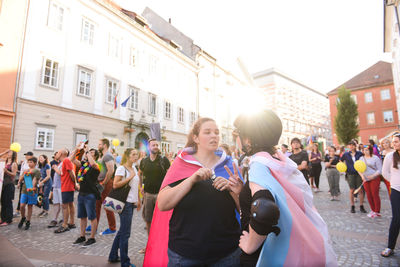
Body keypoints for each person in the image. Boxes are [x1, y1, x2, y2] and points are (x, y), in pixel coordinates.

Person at [233, 110, 337, 267]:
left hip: (265, 252)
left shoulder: (259, 165)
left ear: (248, 139)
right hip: (294, 242)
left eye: (238, 136)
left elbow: (264, 209)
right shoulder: (279, 160)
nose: (237, 140)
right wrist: (243, 192)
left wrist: (250, 244)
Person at [144, 118, 243, 267]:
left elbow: (243, 209)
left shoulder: (230, 164)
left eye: (216, 132)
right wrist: (190, 180)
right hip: (185, 254)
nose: (214, 136)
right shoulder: (181, 163)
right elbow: (163, 204)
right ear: (195, 138)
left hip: (226, 253)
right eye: (207, 132)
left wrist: (235, 191)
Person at [108, 148, 141, 266]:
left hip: (131, 203)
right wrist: (129, 177)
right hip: (125, 203)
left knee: (122, 231)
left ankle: (113, 256)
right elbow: (115, 185)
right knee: (126, 234)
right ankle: (125, 262)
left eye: (137, 154)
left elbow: (135, 187)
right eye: (133, 154)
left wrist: (139, 200)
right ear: (127, 156)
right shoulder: (122, 168)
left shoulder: (134, 168)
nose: (136, 156)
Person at [138, 138, 170, 253]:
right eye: (153, 145)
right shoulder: (144, 161)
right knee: (148, 220)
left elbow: (170, 174)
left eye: (157, 145)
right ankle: (150, 245)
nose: (156, 146)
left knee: (162, 220)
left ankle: (163, 245)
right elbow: (140, 174)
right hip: (148, 194)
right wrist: (141, 187)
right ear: (149, 147)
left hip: (161, 194)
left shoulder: (164, 160)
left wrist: (167, 189)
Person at [71, 145, 101, 247]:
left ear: (95, 156)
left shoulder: (96, 166)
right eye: (89, 152)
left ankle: (92, 238)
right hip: (81, 194)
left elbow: (92, 163)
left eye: (92, 153)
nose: (88, 153)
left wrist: (87, 150)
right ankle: (82, 236)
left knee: (92, 216)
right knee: (82, 216)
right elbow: (72, 159)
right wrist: (77, 148)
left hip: (90, 195)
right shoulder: (84, 164)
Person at [381, 134, 400, 257]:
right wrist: (394, 182)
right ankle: (390, 247)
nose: (394, 144)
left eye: (396, 141)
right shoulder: (389, 156)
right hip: (396, 190)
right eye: (393, 142)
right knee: (397, 218)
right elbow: (385, 173)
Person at [94, 138, 116, 235]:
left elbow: (110, 171)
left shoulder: (107, 156)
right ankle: (94, 225)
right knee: (96, 205)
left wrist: (104, 183)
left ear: (105, 145)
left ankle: (112, 228)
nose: (98, 146)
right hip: (100, 182)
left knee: (108, 206)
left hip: (106, 183)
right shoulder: (103, 156)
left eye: (100, 144)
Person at [54, 148, 76, 233]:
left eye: (58, 152)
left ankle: (65, 224)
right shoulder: (65, 161)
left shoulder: (66, 160)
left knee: (65, 206)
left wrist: (75, 183)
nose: (56, 154)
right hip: (66, 186)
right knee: (70, 204)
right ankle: (71, 222)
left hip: (67, 186)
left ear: (62, 154)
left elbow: (72, 173)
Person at [340, 141, 366, 213]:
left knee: (360, 190)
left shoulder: (360, 154)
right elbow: (340, 161)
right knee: (352, 190)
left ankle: (361, 206)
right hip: (350, 174)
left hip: (359, 173)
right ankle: (352, 206)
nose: (351, 147)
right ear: (348, 146)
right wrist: (344, 168)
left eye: (352, 145)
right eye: (350, 145)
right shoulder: (346, 154)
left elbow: (364, 160)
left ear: (355, 146)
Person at [359, 145, 382, 218]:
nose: (365, 151)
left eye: (367, 150)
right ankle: (372, 209)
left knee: (374, 194)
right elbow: (358, 168)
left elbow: (379, 170)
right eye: (364, 150)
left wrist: (373, 176)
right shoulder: (361, 158)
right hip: (366, 179)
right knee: (369, 195)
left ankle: (377, 211)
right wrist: (362, 176)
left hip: (374, 178)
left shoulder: (375, 158)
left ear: (371, 150)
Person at [17, 156, 40, 230]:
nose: (29, 163)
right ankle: (23, 217)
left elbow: (35, 180)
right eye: (28, 162)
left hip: (31, 191)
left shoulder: (37, 171)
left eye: (31, 162)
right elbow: (21, 178)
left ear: (35, 163)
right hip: (24, 190)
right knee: (22, 206)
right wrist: (19, 182)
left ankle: (28, 221)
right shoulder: (26, 170)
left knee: (30, 206)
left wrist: (32, 189)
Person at [0, 150, 17, 226]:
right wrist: (4, 152)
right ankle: (3, 218)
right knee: (3, 202)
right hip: (3, 184)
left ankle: (8, 219)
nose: (8, 154)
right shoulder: (5, 162)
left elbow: (14, 174)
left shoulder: (13, 164)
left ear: (13, 155)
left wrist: (7, 171)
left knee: (8, 202)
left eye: (10, 153)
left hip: (9, 184)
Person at [15, 151, 34, 217]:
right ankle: (18, 210)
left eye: (27, 155)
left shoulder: (34, 163)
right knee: (21, 196)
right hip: (23, 181)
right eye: (25, 155)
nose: (26, 156)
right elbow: (21, 173)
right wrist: (19, 182)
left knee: (29, 198)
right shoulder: (23, 163)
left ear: (31, 156)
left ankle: (27, 213)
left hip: (30, 182)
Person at [48, 153, 63, 228]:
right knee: (56, 203)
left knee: (62, 204)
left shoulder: (65, 162)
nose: (56, 154)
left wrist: (55, 168)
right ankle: (54, 219)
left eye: (58, 153)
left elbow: (61, 173)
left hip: (62, 186)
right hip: (56, 186)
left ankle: (64, 219)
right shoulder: (59, 163)